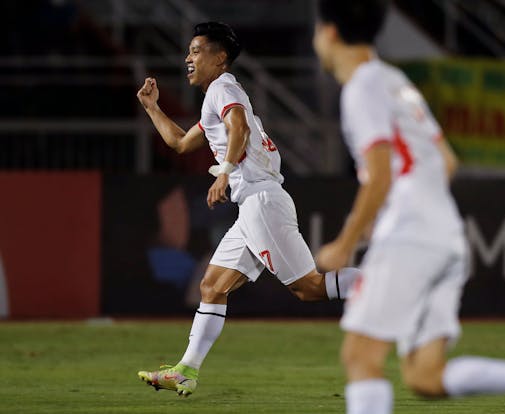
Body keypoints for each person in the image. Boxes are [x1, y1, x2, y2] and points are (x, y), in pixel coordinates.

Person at [312, 1, 505, 413]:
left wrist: (346, 243)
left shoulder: (362, 87)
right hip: (446, 237)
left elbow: (380, 174)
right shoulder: (394, 79)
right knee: (424, 376)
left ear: (329, 33)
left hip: (411, 235)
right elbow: (447, 160)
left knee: (360, 357)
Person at [135, 21, 359, 397]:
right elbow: (179, 143)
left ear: (220, 58)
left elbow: (237, 125)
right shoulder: (215, 97)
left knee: (309, 288)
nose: (188, 57)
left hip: (261, 200)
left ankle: (393, 285)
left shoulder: (223, 87)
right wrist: (152, 107)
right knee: (211, 286)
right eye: (188, 51)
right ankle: (185, 370)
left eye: (196, 50)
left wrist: (223, 172)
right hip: (253, 205)